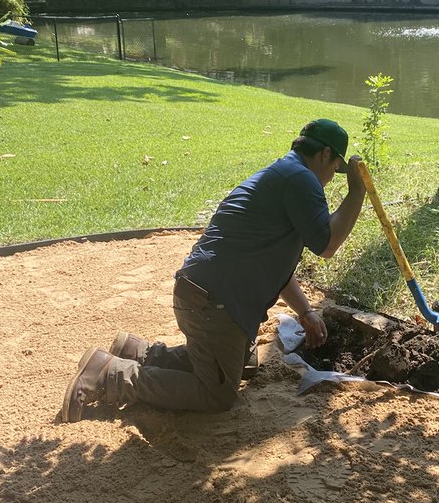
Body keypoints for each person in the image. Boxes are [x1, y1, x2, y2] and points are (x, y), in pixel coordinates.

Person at [62, 118, 366, 421]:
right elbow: (327, 246)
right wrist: (357, 192)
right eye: (334, 170)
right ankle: (110, 374)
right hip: (214, 305)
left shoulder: (283, 174)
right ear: (325, 154)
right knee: (216, 394)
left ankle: (137, 352)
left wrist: (305, 312)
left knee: (238, 364)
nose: (330, 179)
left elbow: (277, 266)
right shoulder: (301, 179)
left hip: (200, 294)